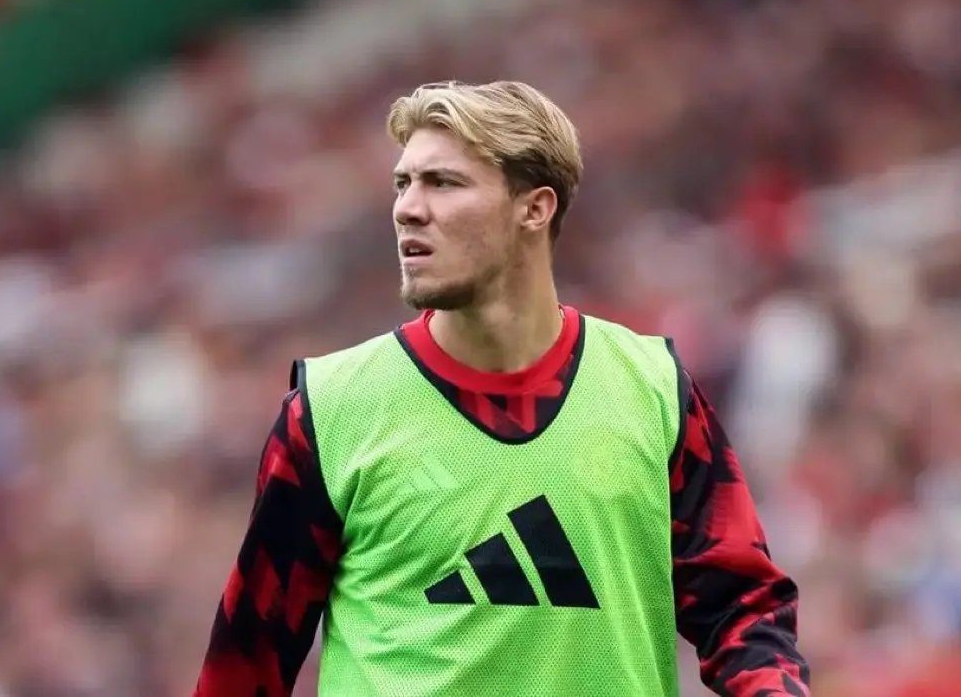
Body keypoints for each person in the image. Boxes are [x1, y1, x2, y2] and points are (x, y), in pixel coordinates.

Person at [192, 80, 811, 697]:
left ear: (534, 209)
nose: (408, 209)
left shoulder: (652, 389)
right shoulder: (331, 411)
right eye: (403, 184)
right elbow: (244, 667)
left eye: (443, 183)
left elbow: (744, 608)